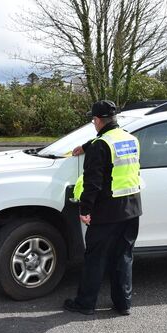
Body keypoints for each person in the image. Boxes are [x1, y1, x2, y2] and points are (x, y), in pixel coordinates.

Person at [64, 100, 142, 316]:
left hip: (107, 211)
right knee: (123, 256)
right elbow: (109, 144)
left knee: (96, 258)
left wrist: (85, 209)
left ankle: (85, 303)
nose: (94, 124)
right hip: (132, 208)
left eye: (93, 120)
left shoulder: (101, 145)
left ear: (98, 120)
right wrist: (88, 145)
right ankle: (123, 304)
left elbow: (93, 183)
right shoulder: (131, 139)